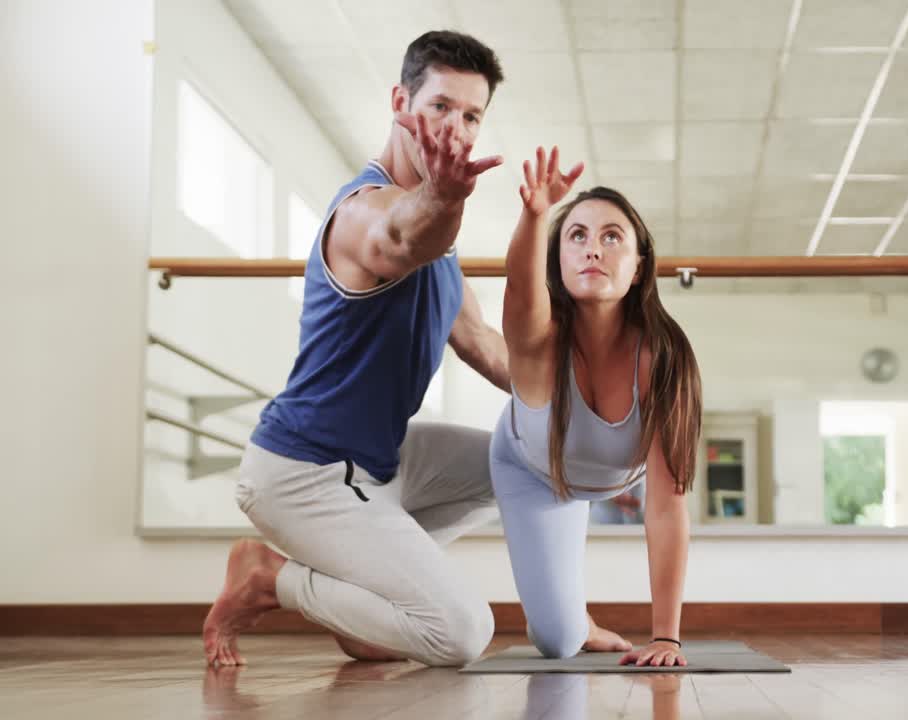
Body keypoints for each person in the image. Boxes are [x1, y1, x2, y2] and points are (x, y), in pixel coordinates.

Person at [201, 30, 511, 668]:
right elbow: (402, 237)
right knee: (459, 634)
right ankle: (269, 577)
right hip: (302, 471)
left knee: (524, 463)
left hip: (378, 461)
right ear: (401, 101)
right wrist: (448, 197)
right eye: (439, 107)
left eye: (472, 115)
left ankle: (360, 593)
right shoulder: (363, 212)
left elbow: (482, 343)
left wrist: (586, 402)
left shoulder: (441, 234)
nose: (456, 128)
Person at [491, 146, 703, 666]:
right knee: (559, 642)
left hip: (596, 478)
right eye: (577, 236)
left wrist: (666, 638)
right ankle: (577, 619)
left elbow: (665, 505)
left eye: (613, 237)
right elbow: (520, 286)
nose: (593, 249)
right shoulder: (539, 340)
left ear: (637, 268)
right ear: (558, 260)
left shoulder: (663, 357)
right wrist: (536, 214)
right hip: (531, 470)